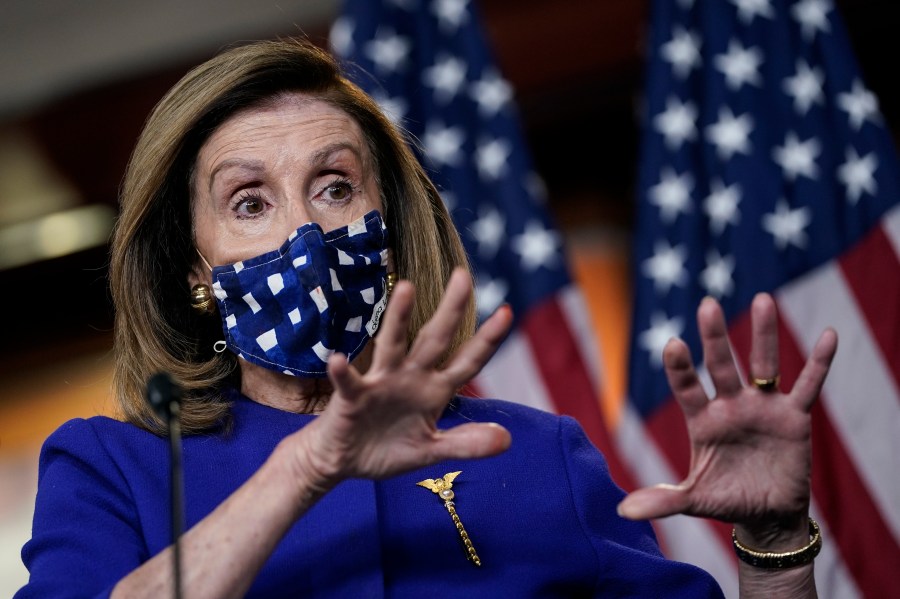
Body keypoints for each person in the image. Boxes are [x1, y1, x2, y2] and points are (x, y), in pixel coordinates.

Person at [16, 38, 837, 598]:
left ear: (390, 229)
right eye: (249, 201)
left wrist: (774, 547)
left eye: (335, 187)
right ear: (193, 269)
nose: (306, 234)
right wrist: (306, 466)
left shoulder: (540, 453)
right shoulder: (109, 469)